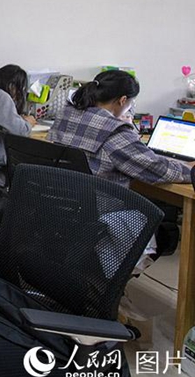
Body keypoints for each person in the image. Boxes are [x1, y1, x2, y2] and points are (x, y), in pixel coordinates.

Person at [48, 69, 190, 262]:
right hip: (98, 211)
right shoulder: (114, 130)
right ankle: (106, 280)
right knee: (163, 231)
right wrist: (189, 169)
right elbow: (157, 169)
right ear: (123, 100)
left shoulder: (66, 114)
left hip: (58, 205)